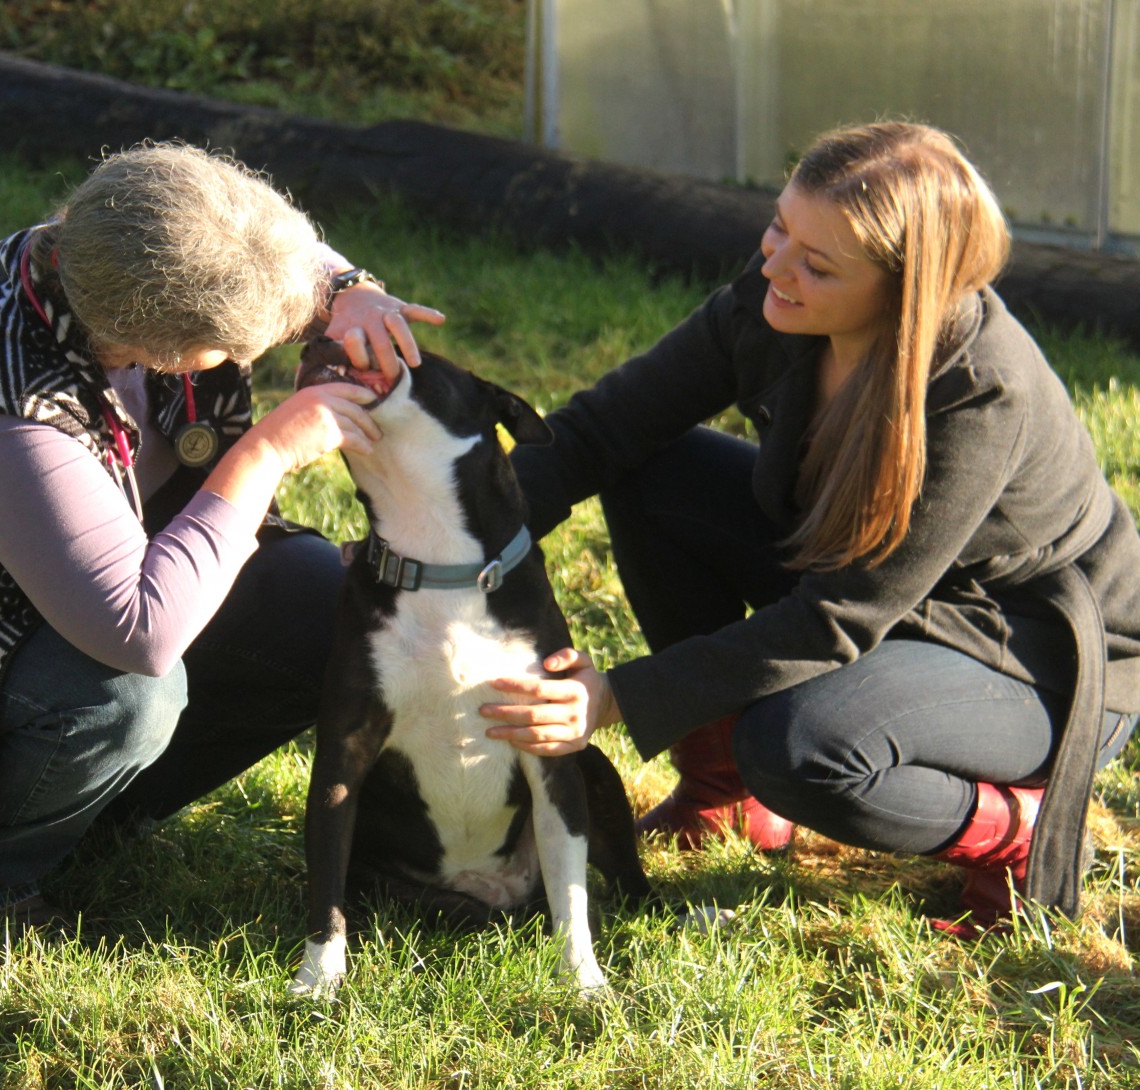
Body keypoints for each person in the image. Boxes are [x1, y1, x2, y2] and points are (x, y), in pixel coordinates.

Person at [0, 142, 442, 931]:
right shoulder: (8, 405)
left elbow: (249, 241)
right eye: (237, 351)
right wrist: (268, 450)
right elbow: (138, 630)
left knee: (330, 605)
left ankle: (93, 812)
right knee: (129, 695)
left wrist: (346, 290)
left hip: (60, 568)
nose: (264, 352)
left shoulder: (119, 238)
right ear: (167, 350)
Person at [479, 121, 1139, 937]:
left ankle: (1013, 830)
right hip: (874, 585)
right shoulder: (769, 302)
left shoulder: (980, 391)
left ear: (907, 291)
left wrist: (613, 697)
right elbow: (595, 435)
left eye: (816, 265)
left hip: (1034, 652)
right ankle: (723, 793)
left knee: (800, 746)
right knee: (652, 468)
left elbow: (836, 619)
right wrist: (460, 556)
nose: (774, 268)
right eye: (779, 227)